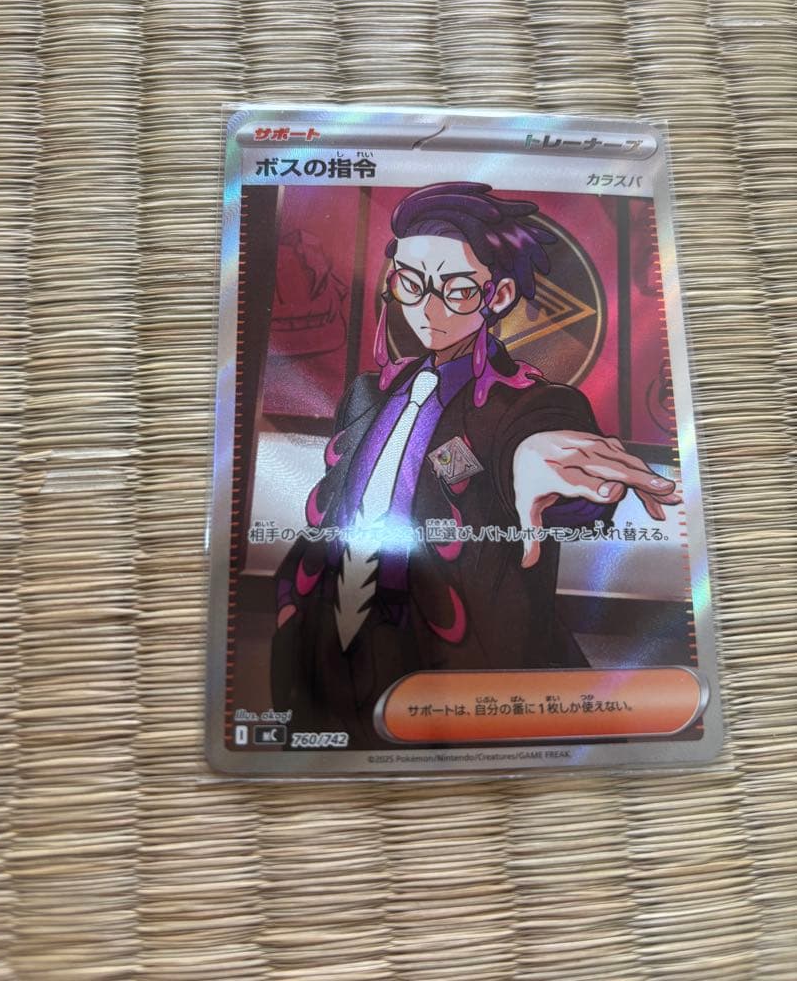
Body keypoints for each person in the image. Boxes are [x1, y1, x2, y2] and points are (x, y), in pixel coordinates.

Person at [271, 182, 679, 747]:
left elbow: (540, 450)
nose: (428, 308)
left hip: (455, 655)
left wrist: (538, 466)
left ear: (500, 294)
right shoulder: (368, 394)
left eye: (458, 290)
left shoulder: (528, 405)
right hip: (331, 625)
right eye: (410, 283)